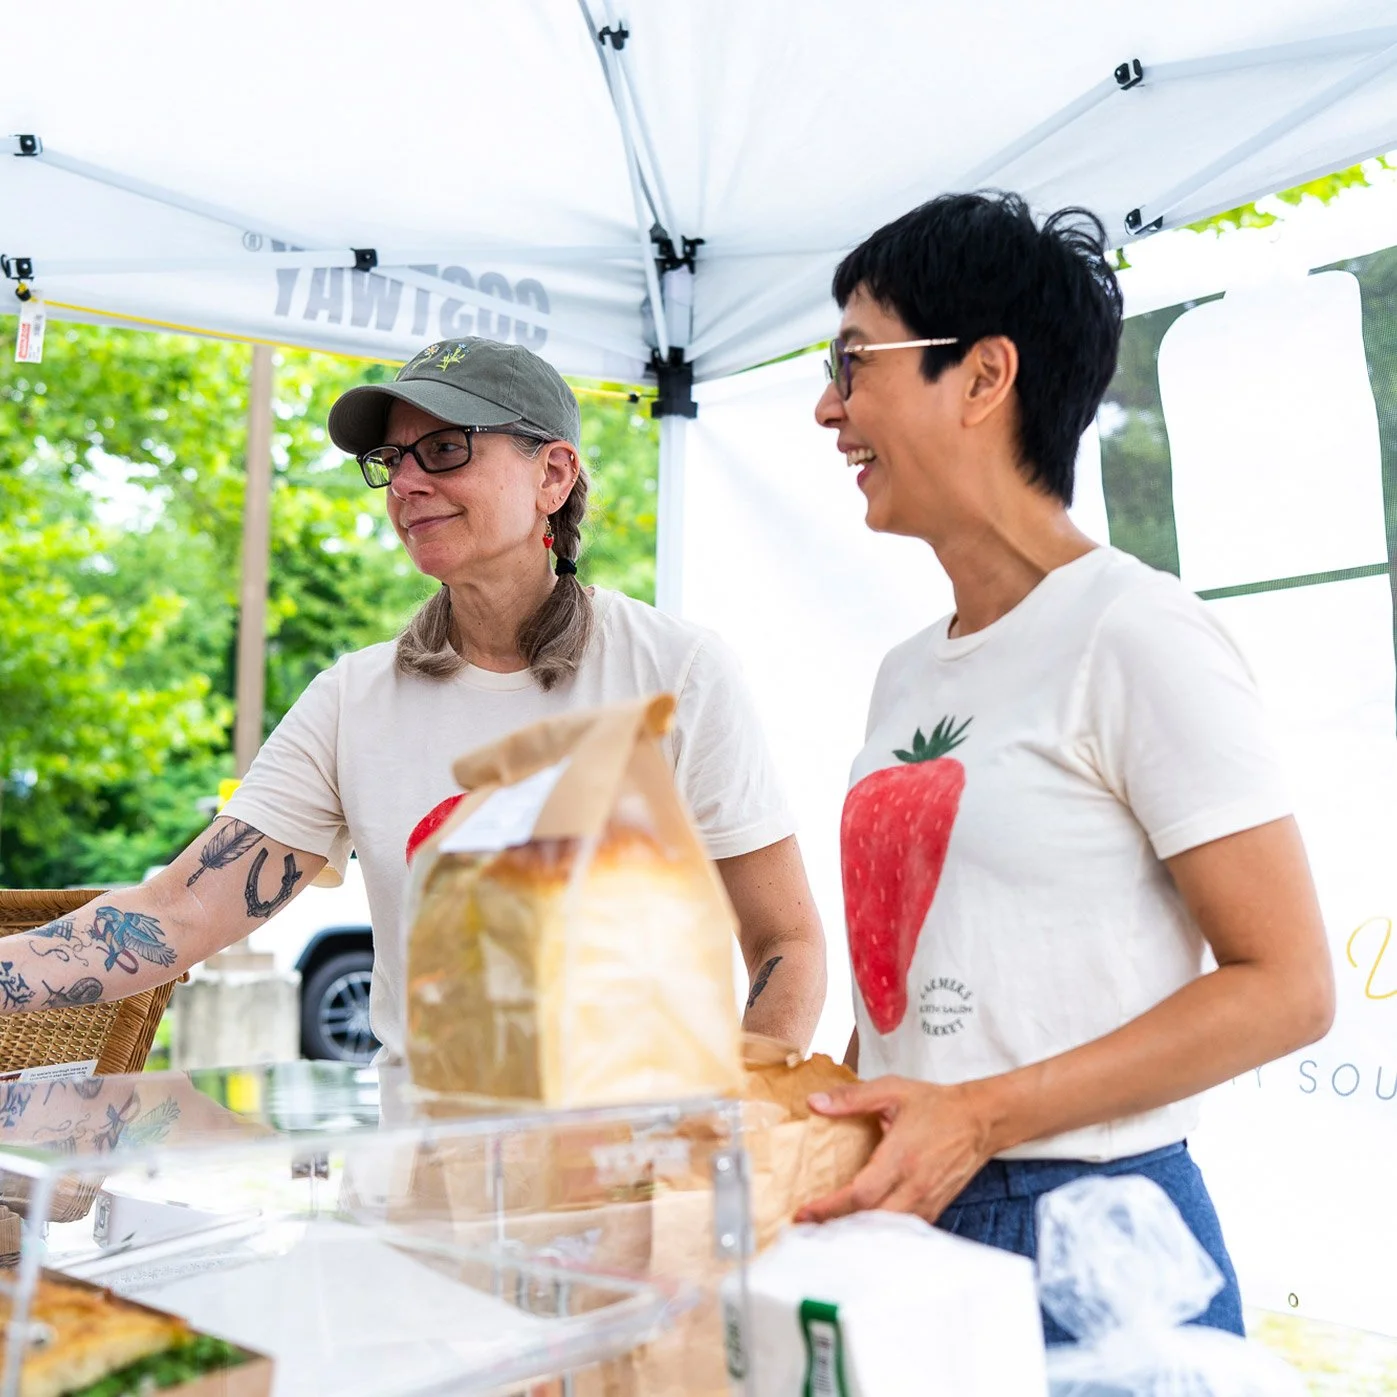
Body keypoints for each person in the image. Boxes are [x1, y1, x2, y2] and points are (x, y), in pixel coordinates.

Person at [797, 193, 1334, 1342]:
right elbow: (921, 984)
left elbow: (1286, 985)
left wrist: (978, 1117)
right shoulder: (904, 673)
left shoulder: (1135, 631)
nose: (825, 406)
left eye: (852, 360)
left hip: (1090, 1234)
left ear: (984, 376)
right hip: (912, 1214)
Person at [5, 337, 826, 1058]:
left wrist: (738, 1132)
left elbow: (783, 938)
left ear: (552, 472)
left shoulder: (676, 671)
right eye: (391, 461)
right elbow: (178, 913)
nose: (405, 483)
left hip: (636, 1177)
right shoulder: (352, 698)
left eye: (443, 449)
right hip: (429, 1178)